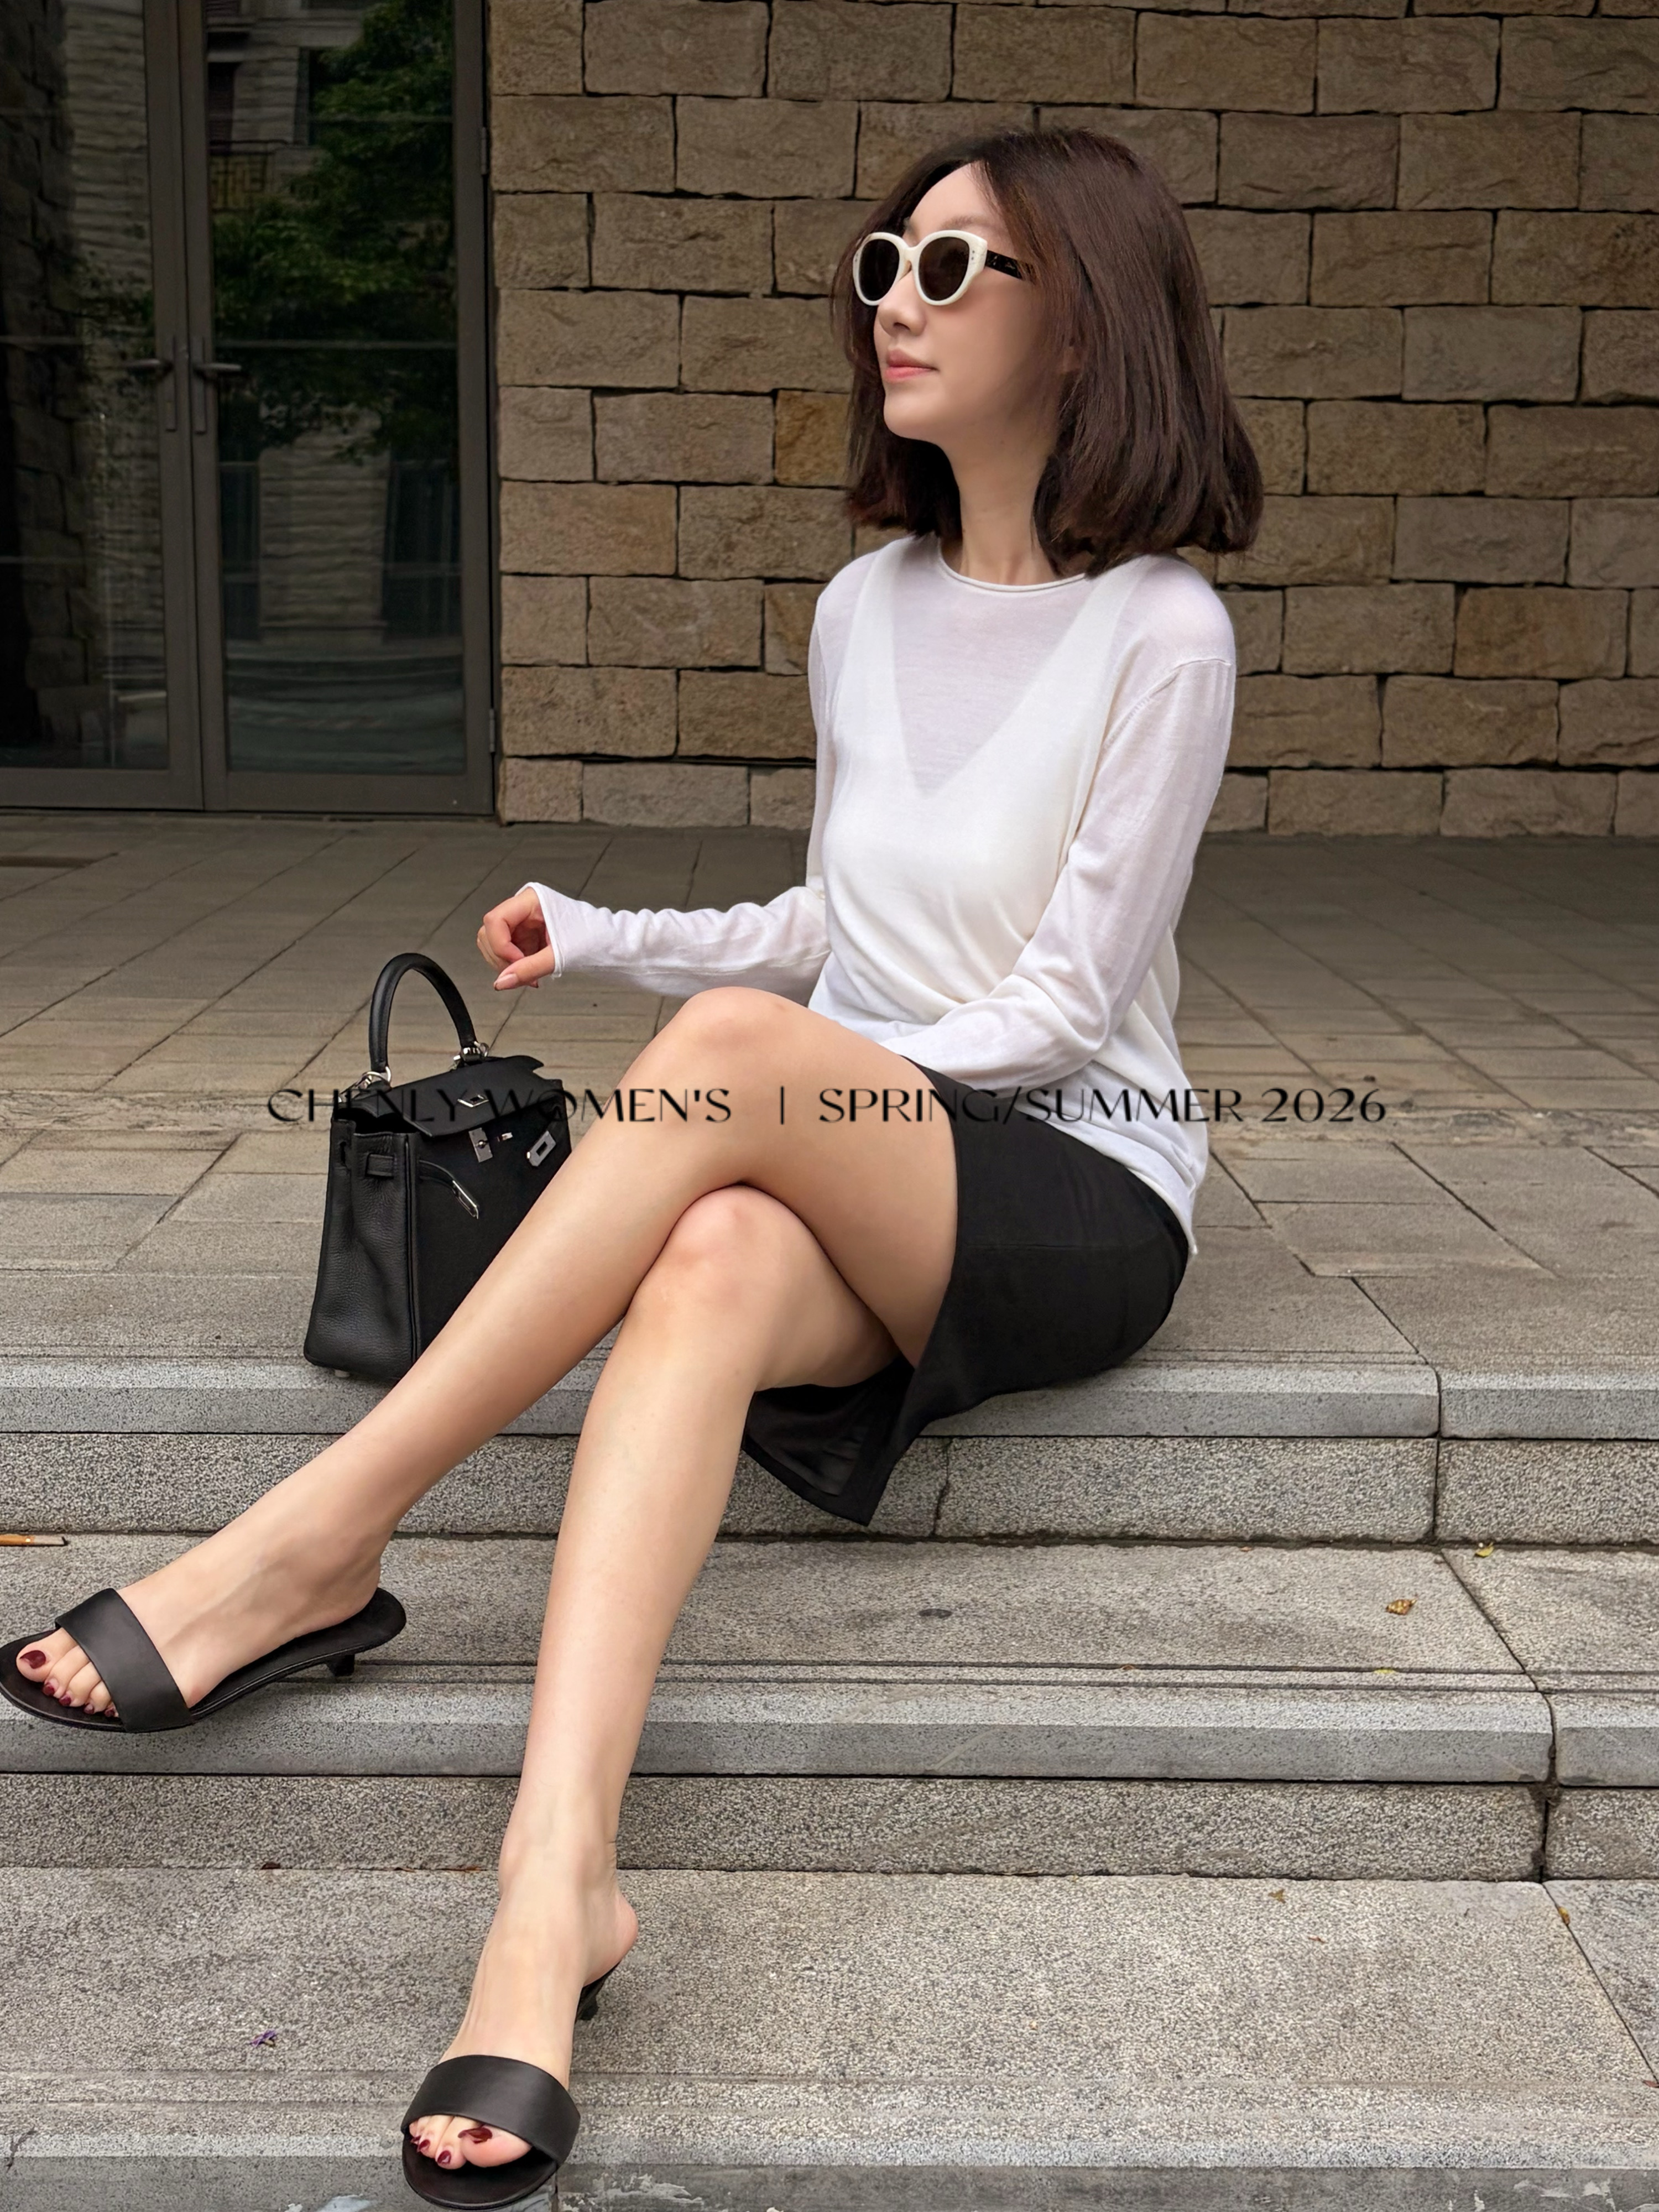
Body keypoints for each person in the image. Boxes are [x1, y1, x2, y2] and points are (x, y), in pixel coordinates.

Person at [4, 125, 1260, 2208]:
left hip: (1073, 1185)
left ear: (1087, 325)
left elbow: (1054, 1007)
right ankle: (552, 1893)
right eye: (885, 262)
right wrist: (614, 940)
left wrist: (779, 1078)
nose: (897, 301)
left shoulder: (1163, 632)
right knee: (706, 1258)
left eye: (957, 270)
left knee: (744, 1085)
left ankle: (317, 1536)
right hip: (863, 1155)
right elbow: (841, 927)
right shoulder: (863, 607)